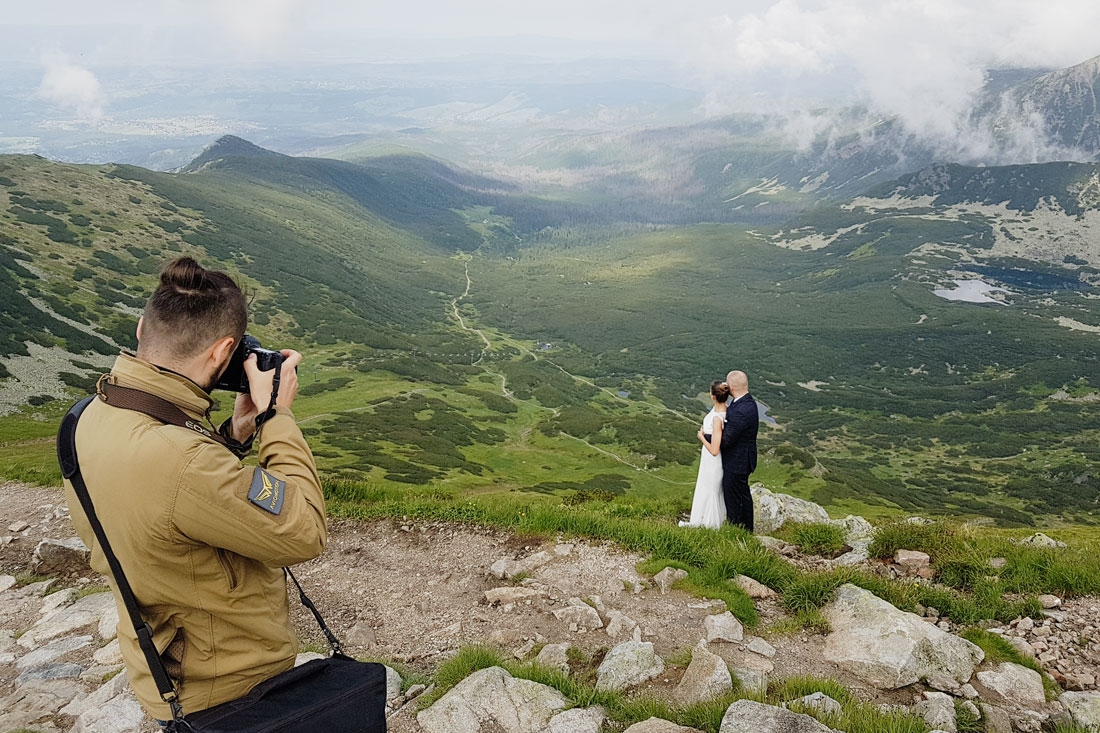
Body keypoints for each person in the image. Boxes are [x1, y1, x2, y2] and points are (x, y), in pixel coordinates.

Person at [63, 257, 327, 722]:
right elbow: (303, 531)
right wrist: (275, 418)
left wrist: (235, 435)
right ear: (223, 350)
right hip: (227, 687)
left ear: (143, 327)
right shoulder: (184, 463)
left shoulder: (89, 415)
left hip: (163, 668)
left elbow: (167, 503)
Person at [680, 381, 728, 529]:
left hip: (713, 461)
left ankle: (709, 524)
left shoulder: (716, 418)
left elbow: (714, 450)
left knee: (710, 490)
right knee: (709, 489)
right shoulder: (726, 410)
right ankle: (703, 520)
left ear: (713, 396)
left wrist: (701, 437)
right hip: (711, 460)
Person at [720, 370, 759, 531]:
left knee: (734, 497)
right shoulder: (747, 402)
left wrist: (705, 436)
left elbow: (726, 441)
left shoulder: (741, 411)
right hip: (743, 459)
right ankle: (746, 529)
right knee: (742, 494)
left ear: (731, 388)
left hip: (737, 462)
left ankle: (736, 529)